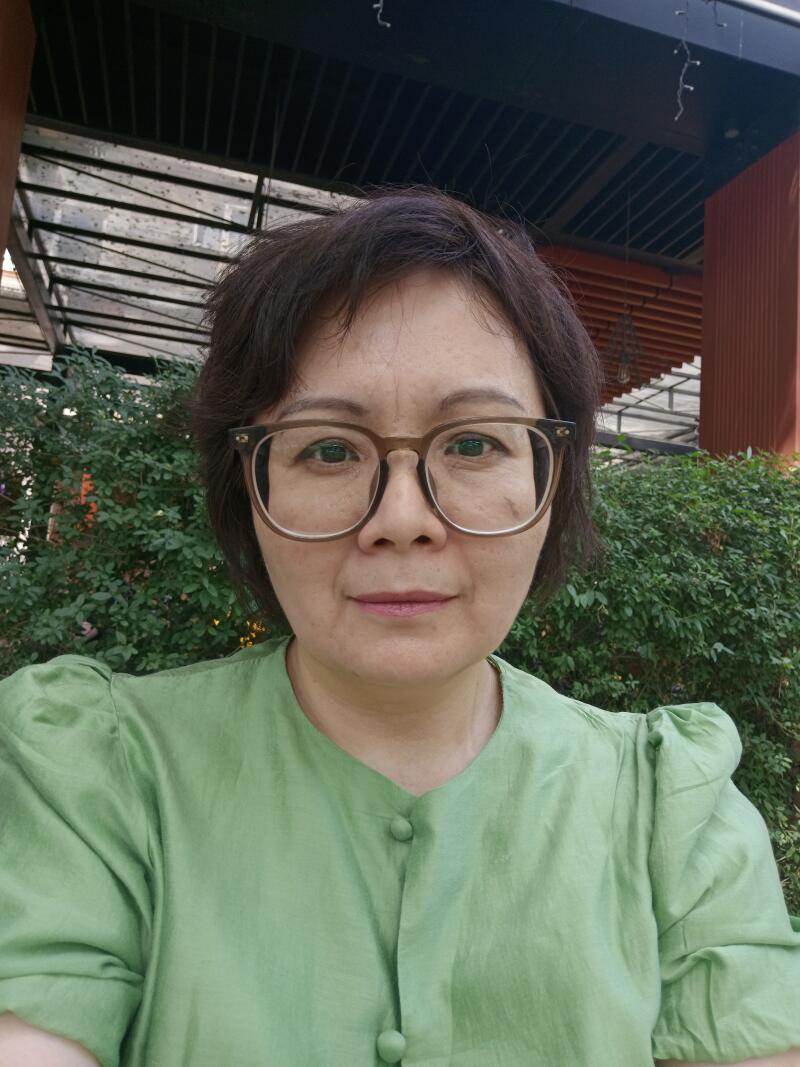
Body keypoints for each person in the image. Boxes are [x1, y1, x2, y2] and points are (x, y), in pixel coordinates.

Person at [1, 188, 799, 1067]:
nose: (403, 519)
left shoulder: (671, 812)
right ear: (250, 493)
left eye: (473, 444)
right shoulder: (95, 779)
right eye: (329, 449)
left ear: (552, 480)